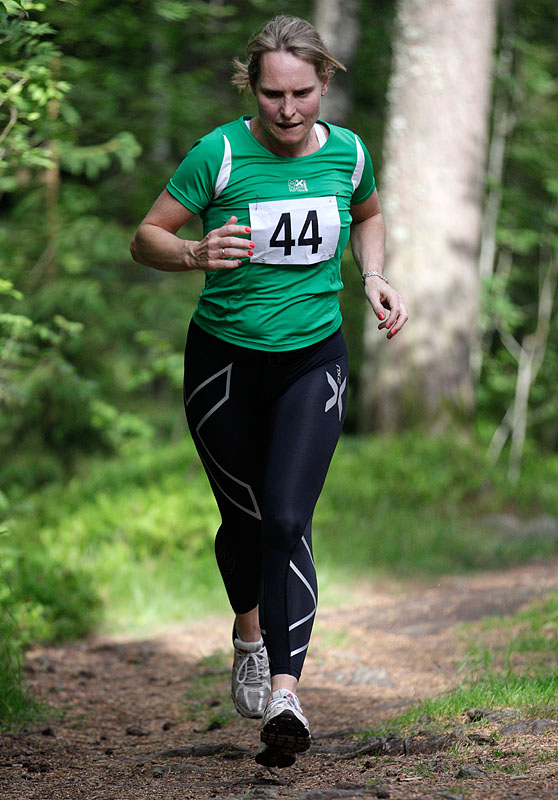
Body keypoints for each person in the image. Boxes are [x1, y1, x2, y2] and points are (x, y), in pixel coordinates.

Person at [130, 15, 408, 768]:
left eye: (303, 93)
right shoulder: (219, 154)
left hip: (311, 361)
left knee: (287, 518)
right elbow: (147, 236)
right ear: (251, 87)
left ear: (325, 83)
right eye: (273, 94)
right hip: (223, 367)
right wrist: (194, 251)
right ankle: (248, 636)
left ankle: (286, 693)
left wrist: (374, 276)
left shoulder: (349, 152)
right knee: (245, 520)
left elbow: (369, 213)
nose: (288, 110)